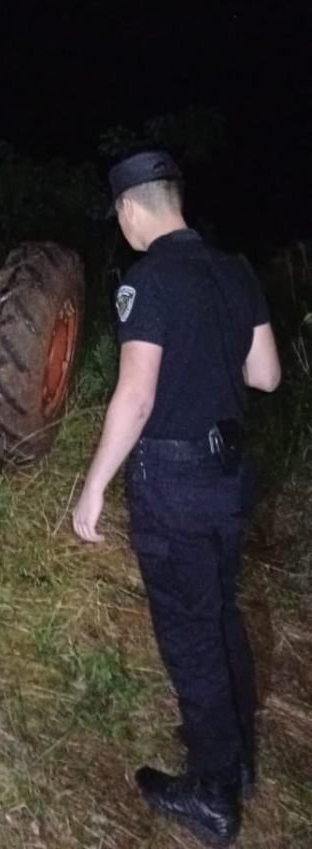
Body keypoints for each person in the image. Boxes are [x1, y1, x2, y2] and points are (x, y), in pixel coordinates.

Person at [72, 151, 281, 847]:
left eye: (121, 217)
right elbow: (267, 374)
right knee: (219, 613)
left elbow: (135, 398)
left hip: (175, 481)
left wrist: (94, 486)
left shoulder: (149, 279)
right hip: (229, 476)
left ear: (134, 208)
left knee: (190, 633)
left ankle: (214, 792)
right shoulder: (235, 270)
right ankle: (239, 761)